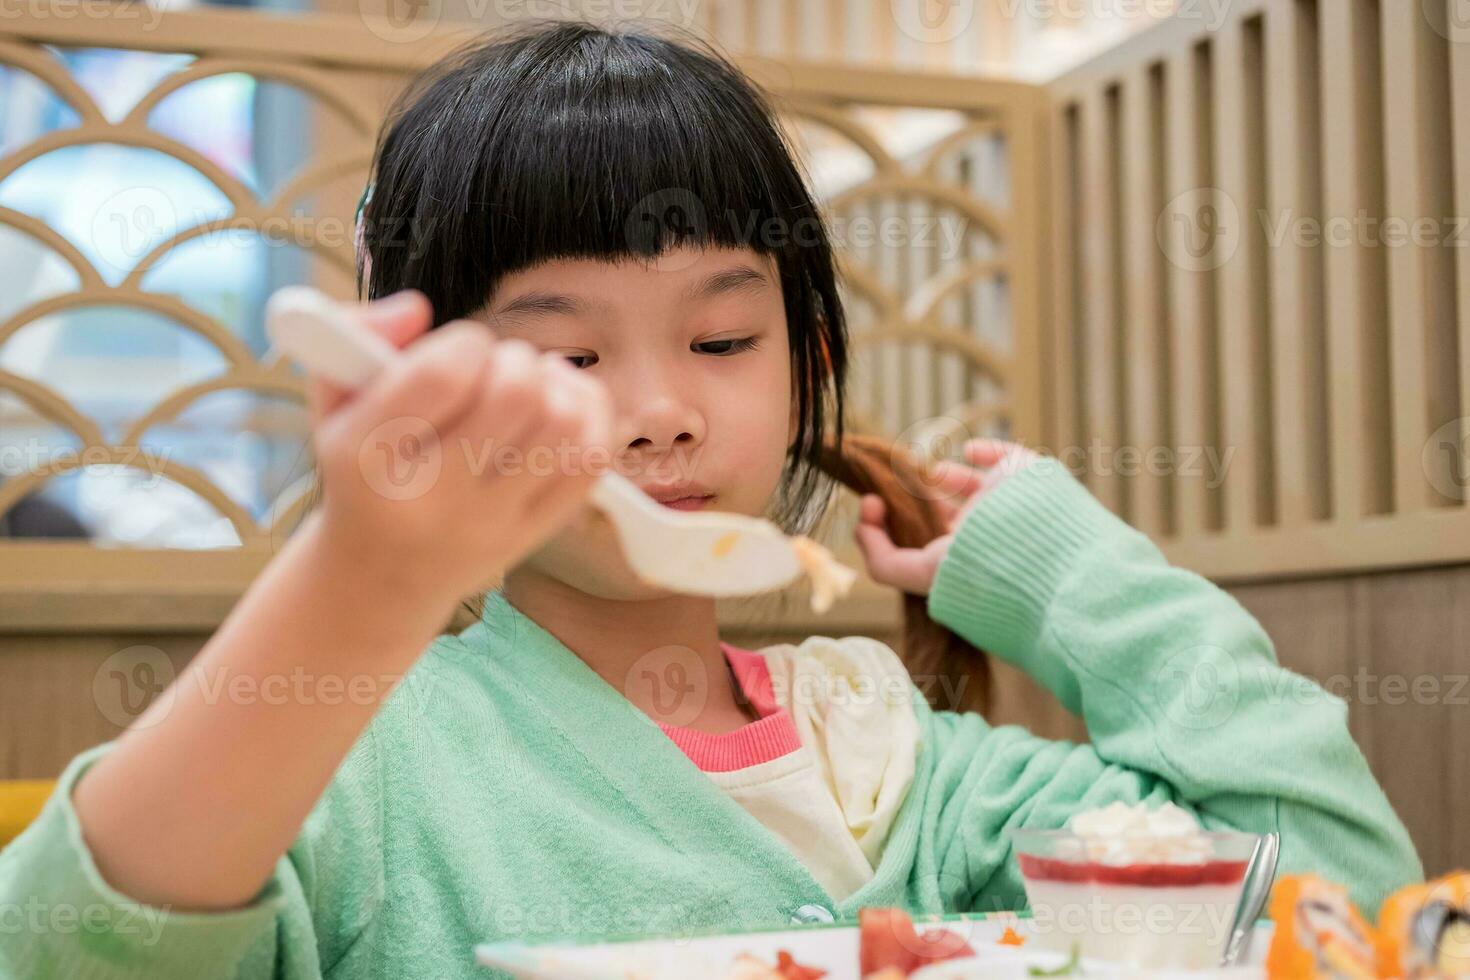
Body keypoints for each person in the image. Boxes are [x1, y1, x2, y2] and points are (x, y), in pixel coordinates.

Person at [0, 20, 1420, 980]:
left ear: (802, 369)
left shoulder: (898, 762)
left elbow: (1328, 901)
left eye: (720, 340)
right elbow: (62, 950)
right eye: (566, 354)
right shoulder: (365, 764)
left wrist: (1065, 579)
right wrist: (365, 578)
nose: (660, 407)